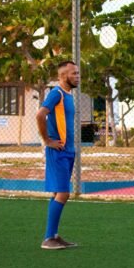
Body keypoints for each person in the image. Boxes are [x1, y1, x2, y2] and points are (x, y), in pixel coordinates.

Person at [36, 60, 80, 249]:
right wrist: (47, 140)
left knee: (57, 192)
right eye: (74, 74)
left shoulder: (69, 95)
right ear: (63, 76)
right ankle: (48, 239)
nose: (77, 76)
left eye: (78, 73)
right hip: (58, 151)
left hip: (69, 151)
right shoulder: (57, 93)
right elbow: (40, 115)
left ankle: (53, 235)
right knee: (63, 193)